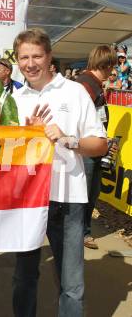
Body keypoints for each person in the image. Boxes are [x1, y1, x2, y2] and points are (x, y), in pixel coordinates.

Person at [11, 28, 108, 317]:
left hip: (67, 199)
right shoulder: (14, 99)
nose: (30, 63)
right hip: (28, 201)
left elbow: (100, 145)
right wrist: (25, 137)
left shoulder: (75, 91)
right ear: (17, 60)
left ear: (49, 56)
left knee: (72, 284)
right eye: (24, 57)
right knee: (24, 278)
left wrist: (69, 139)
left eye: (36, 56)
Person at [75, 45, 117, 250]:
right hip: (87, 149)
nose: (115, 71)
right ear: (107, 63)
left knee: (91, 193)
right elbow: (76, 120)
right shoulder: (85, 84)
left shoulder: (94, 84)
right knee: (84, 195)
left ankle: (83, 232)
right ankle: (80, 233)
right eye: (113, 65)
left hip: (94, 147)